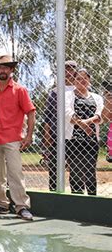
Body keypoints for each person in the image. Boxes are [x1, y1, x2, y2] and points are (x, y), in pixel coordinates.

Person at [0, 54, 35, 221]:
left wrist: (29, 135)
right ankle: (1, 203)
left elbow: (31, 112)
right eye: (0, 67)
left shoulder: (20, 90)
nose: (3, 70)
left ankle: (21, 206)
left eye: (6, 67)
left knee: (15, 173)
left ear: (12, 70)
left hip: (13, 139)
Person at [65, 68, 103, 195]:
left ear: (89, 80)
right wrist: (82, 126)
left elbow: (99, 115)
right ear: (74, 81)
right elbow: (68, 114)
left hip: (91, 140)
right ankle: (77, 199)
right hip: (74, 140)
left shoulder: (97, 97)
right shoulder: (67, 95)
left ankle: (93, 199)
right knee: (75, 172)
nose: (82, 81)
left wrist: (85, 124)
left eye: (85, 78)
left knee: (90, 172)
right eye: (78, 78)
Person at [43, 60, 77, 191]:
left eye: (71, 69)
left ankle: (76, 195)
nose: (68, 72)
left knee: (76, 170)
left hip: (75, 135)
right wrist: (47, 134)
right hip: (56, 135)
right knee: (54, 169)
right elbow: (48, 115)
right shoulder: (55, 92)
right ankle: (54, 192)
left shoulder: (79, 90)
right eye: (65, 69)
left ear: (75, 71)